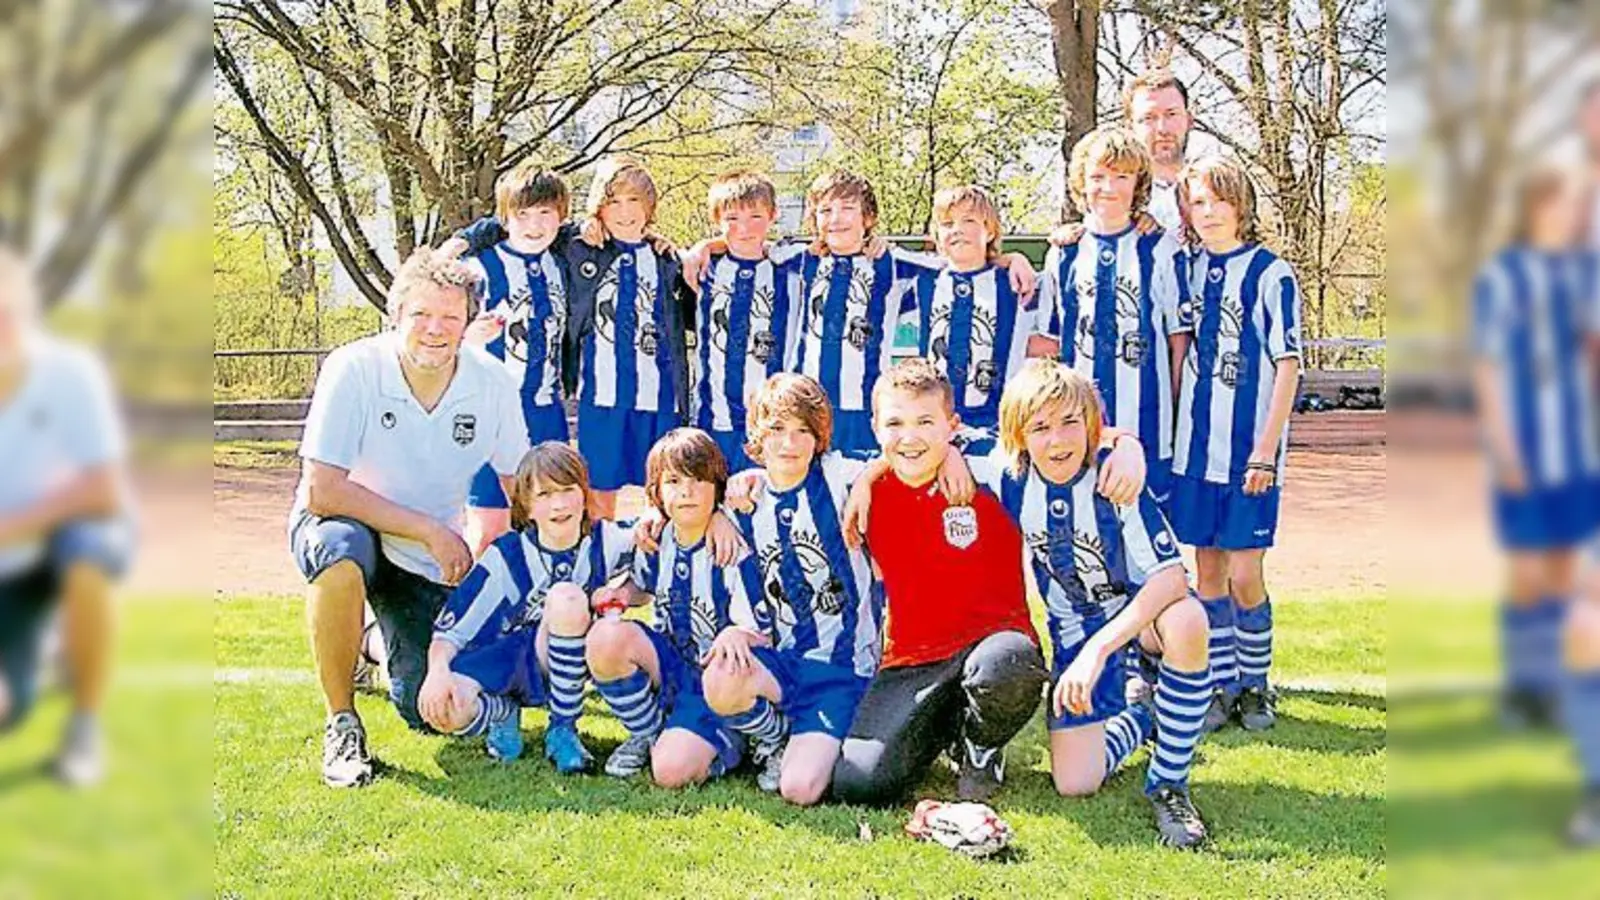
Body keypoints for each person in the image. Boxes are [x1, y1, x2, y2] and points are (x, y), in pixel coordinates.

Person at [828, 358, 1146, 804]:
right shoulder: (861, 486)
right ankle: (946, 726)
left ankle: (982, 747)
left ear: (952, 425)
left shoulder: (992, 471)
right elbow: (782, 472)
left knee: (1009, 665)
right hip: (912, 659)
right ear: (875, 428)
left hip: (994, 643)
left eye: (925, 421)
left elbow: (1068, 436)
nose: (910, 436)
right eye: (895, 423)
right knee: (860, 786)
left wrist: (1128, 445)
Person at [289, 248, 528, 787]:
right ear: (396, 315)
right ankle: (342, 722)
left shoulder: (494, 384)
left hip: (421, 554)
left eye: (451, 317)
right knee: (340, 550)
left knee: (432, 708)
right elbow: (323, 491)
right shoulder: (352, 368)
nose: (435, 330)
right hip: (345, 521)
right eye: (421, 315)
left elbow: (523, 489)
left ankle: (369, 643)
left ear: (470, 323)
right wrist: (431, 530)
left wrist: (585, 548)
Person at [981, 360, 1210, 848]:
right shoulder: (1008, 473)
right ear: (1019, 436)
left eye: (1070, 423)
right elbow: (931, 440)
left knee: (1189, 620)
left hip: (1137, 623)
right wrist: (874, 476)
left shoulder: (1114, 475)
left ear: (1090, 426)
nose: (1058, 440)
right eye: (1040, 428)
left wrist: (1128, 446)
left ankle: (1169, 784)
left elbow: (1171, 578)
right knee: (1075, 784)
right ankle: (1145, 713)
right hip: (1073, 635)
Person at [701, 373, 887, 803]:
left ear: (819, 437)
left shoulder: (839, 477)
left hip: (843, 670)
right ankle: (776, 736)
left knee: (799, 790)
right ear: (757, 435)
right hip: (783, 664)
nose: (791, 443)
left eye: (804, 430)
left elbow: (898, 457)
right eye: (779, 430)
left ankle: (813, 739)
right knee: (720, 677)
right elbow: (679, 506)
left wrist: (868, 478)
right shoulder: (744, 501)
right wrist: (715, 514)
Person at [1169, 155, 1304, 733]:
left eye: (1219, 201)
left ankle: (1256, 685)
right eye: (1198, 203)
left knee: (1246, 572)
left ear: (1241, 206)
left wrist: (1264, 450)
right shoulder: (1186, 269)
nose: (1209, 213)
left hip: (1250, 453)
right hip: (1196, 451)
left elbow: (1289, 364)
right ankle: (1219, 685)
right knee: (1208, 572)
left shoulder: (1272, 274)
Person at [1472, 167, 1600, 731]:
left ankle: (1549, 684)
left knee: (1563, 567)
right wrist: (1505, 449)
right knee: (1525, 568)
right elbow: (1488, 366)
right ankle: (1523, 687)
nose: (1569, 215)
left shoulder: (1585, 275)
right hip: (1523, 447)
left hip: (1576, 450)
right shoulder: (1503, 277)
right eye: (1559, 205)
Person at [418, 443, 636, 772]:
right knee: (444, 709)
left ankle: (562, 729)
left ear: (584, 494)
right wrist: (437, 674)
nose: (560, 504)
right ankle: (502, 712)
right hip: (504, 661)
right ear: (527, 506)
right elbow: (452, 631)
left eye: (567, 490)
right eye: (545, 495)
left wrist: (626, 591)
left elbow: (662, 530)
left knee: (567, 598)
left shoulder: (606, 540)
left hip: (560, 657)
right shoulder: (506, 557)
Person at [0, 247, 130, 787]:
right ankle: (39, 651)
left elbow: (102, 491)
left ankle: (84, 726)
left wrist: (13, 528)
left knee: (88, 551)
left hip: (51, 549)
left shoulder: (70, 375)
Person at [583, 428, 767, 786]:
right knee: (606, 637)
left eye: (699, 480)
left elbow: (758, 630)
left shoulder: (730, 546)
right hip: (670, 668)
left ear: (717, 486)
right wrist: (620, 593)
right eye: (674, 481)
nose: (686, 492)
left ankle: (733, 737)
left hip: (716, 683)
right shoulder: (658, 537)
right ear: (657, 493)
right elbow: (642, 586)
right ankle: (647, 733)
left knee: (670, 772)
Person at [1032, 126, 1193, 513]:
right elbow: (1049, 345)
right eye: (1098, 176)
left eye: (1121, 177)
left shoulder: (1162, 249)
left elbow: (1179, 342)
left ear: (1138, 183)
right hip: (1079, 426)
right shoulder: (1063, 253)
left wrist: (1175, 412)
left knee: (1151, 537)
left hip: (1149, 424)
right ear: (1081, 182)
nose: (1109, 187)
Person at [458, 162, 576, 553]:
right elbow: (427, 330)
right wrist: (466, 338)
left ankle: (544, 611)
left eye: (545, 213)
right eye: (522, 214)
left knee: (551, 523)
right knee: (489, 526)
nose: (535, 224)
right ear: (504, 219)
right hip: (490, 411)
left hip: (546, 410)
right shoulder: (478, 268)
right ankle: (471, 612)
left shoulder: (564, 263)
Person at [690, 171, 805, 472]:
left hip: (774, 424)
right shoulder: (703, 267)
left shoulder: (791, 269)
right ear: (717, 220)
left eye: (755, 216)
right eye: (731, 219)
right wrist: (703, 247)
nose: (744, 228)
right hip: (714, 419)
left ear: (773, 215)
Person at [905, 185, 1042, 431]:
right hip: (936, 424)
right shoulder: (923, 280)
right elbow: (879, 253)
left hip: (998, 425)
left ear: (989, 230)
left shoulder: (1015, 282)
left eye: (968, 220)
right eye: (947, 224)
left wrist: (1015, 258)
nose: (957, 230)